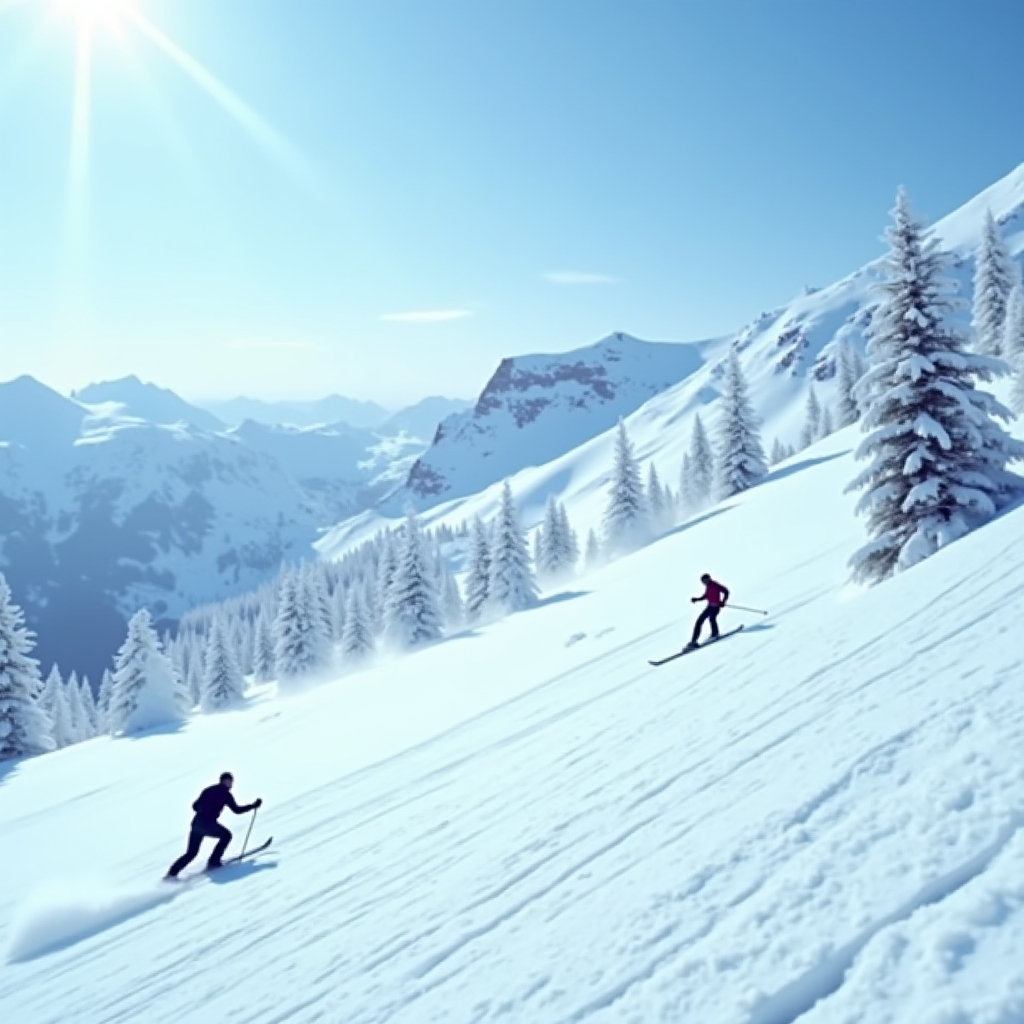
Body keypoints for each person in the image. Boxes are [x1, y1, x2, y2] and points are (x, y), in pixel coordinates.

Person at [165, 772, 262, 878]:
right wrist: (253, 806)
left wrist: (204, 810)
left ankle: (171, 874)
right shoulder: (225, 794)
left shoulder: (208, 790)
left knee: (191, 853)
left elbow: (194, 806)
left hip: (196, 823)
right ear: (223, 781)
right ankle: (213, 861)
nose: (230, 784)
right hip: (208, 824)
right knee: (226, 836)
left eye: (231, 781)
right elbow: (236, 810)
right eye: (229, 781)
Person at [686, 573, 729, 649]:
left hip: (715, 607)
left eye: (704, 581)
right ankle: (714, 634)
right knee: (710, 619)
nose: (703, 583)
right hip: (710, 607)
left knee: (703, 621)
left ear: (708, 579)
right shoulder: (709, 586)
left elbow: (726, 591)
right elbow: (706, 596)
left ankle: (694, 642)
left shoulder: (715, 585)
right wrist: (697, 599)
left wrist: (723, 601)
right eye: (702, 582)